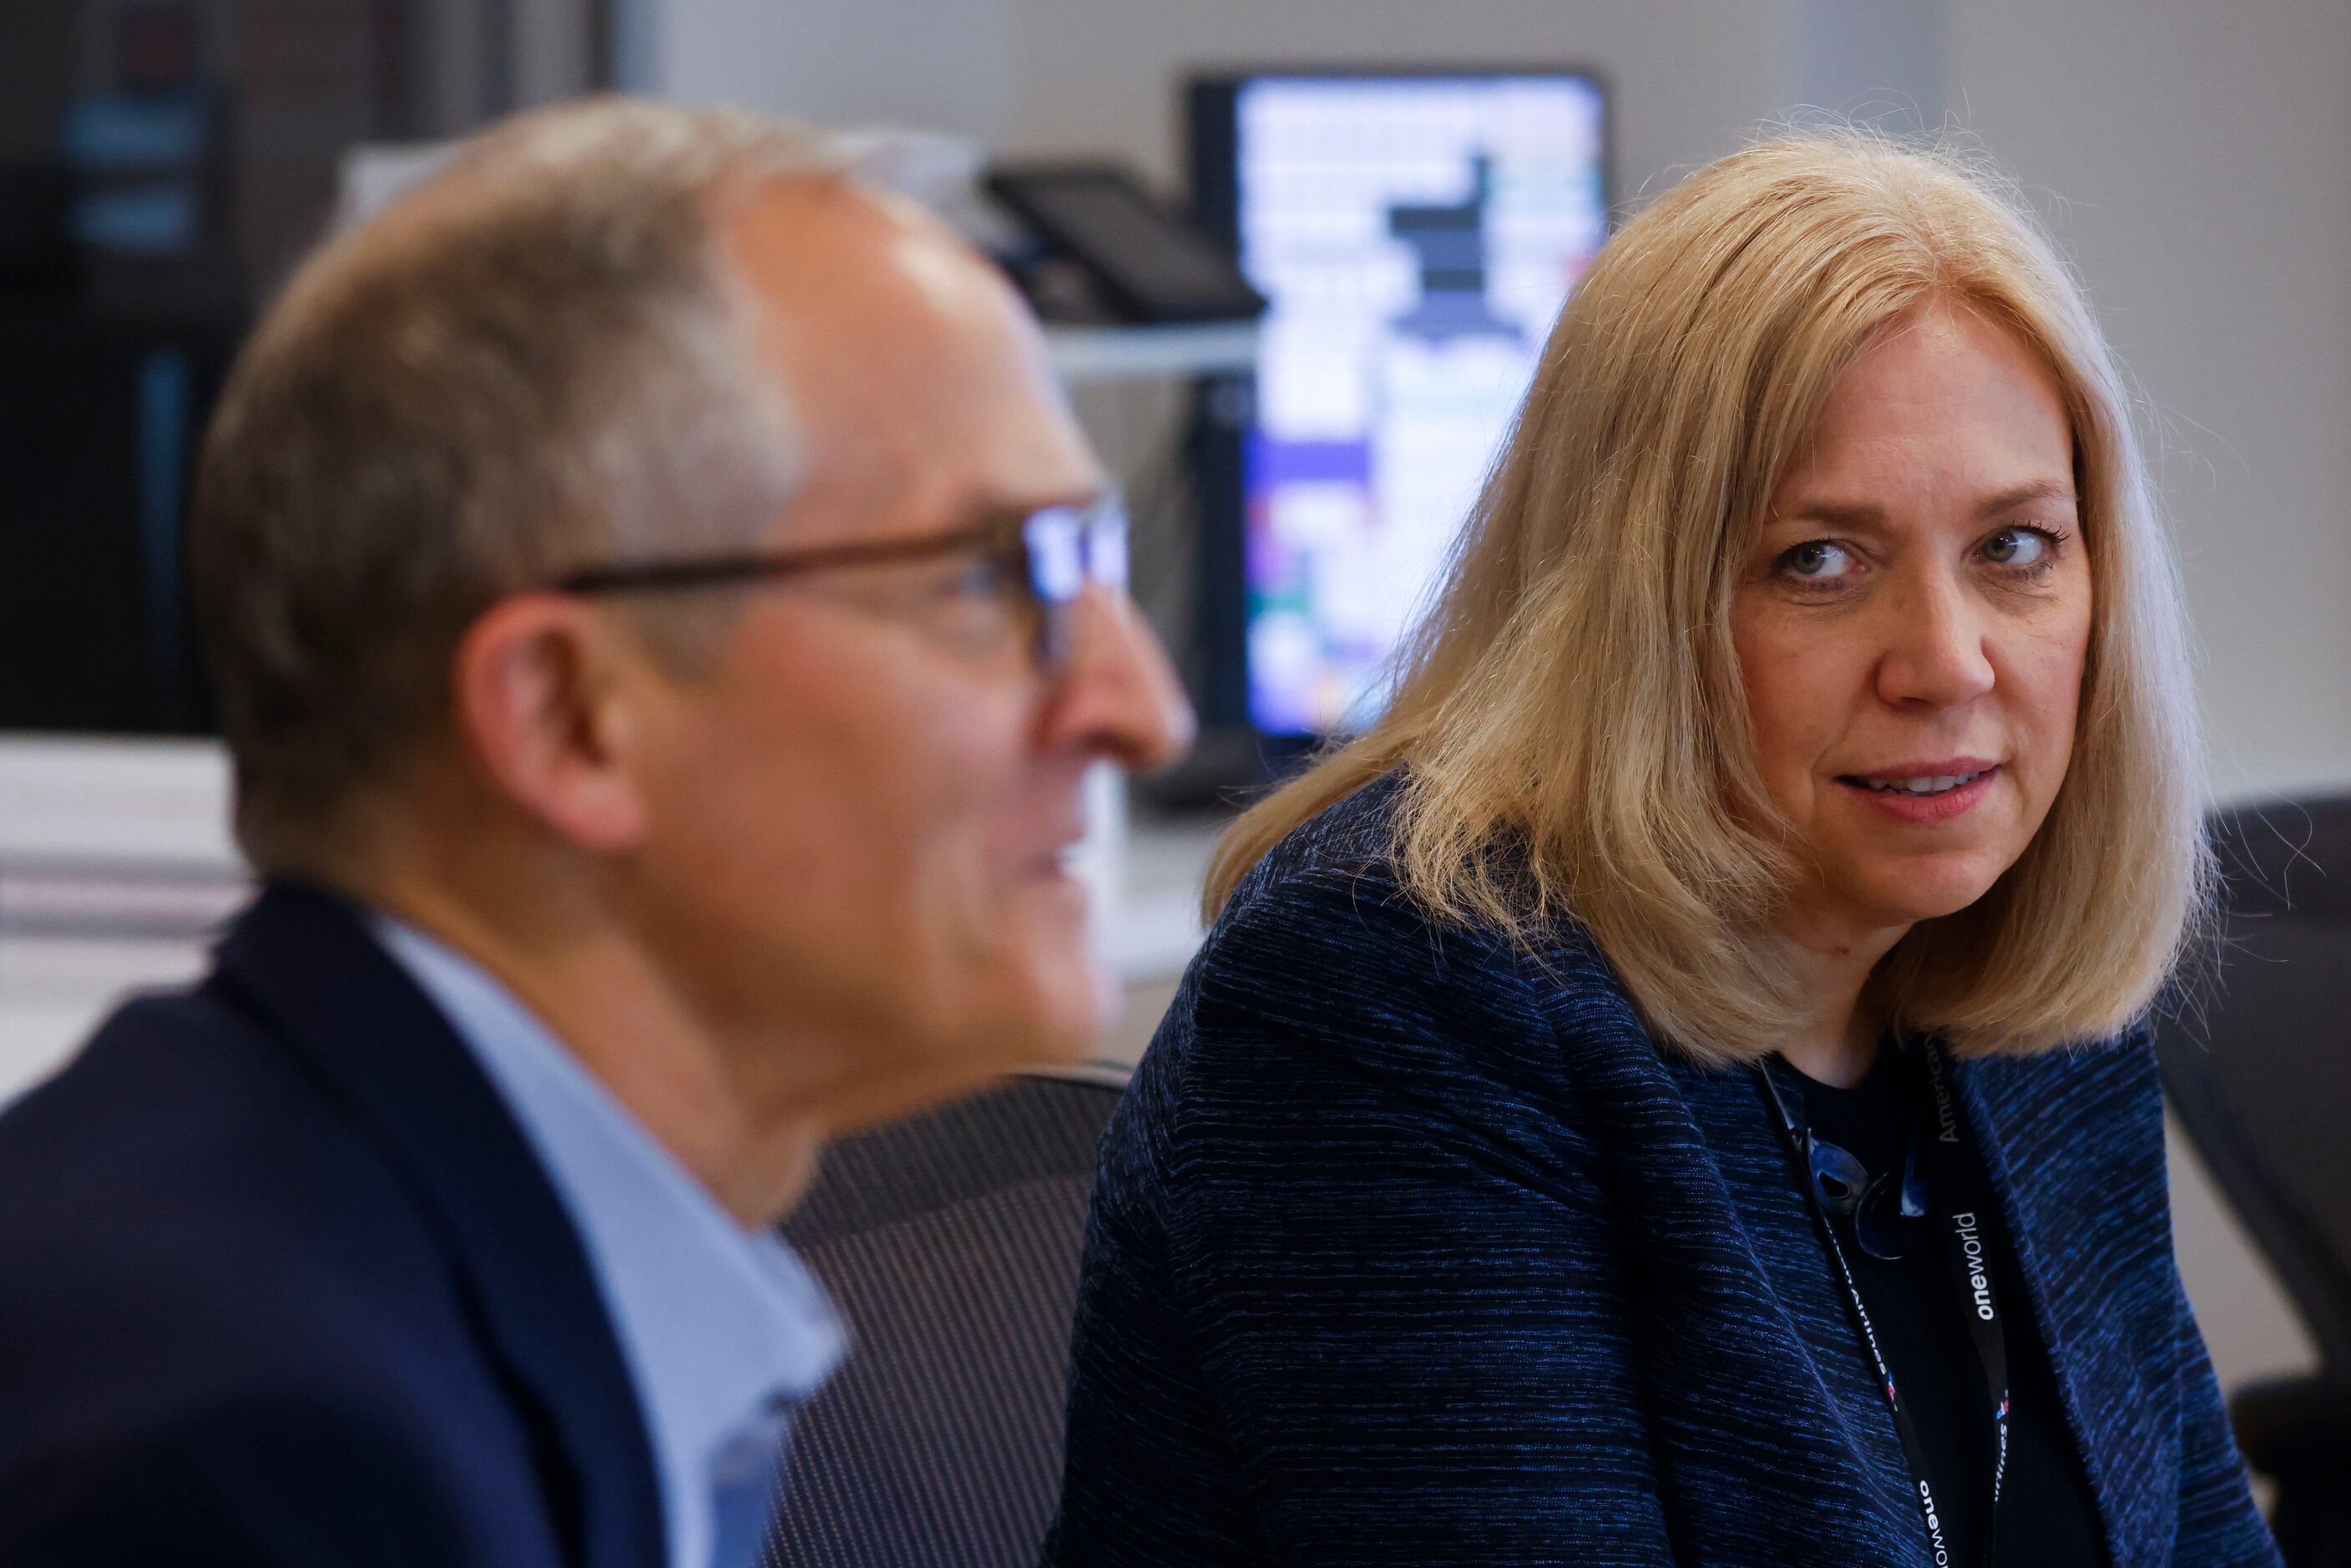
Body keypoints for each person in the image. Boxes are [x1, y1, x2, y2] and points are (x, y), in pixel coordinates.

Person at [1049, 131, 2278, 1566]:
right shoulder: (1391, 995)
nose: (1949, 665)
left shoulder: (2007, 954)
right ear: (1624, 606)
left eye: (2014, 546)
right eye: (1817, 560)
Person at [0, 98, 1190, 1566]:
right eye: (987, 578)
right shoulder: (245, 1449)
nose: (1143, 710)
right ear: (570, 714)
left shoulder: (450, 1272)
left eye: (1096, 561)